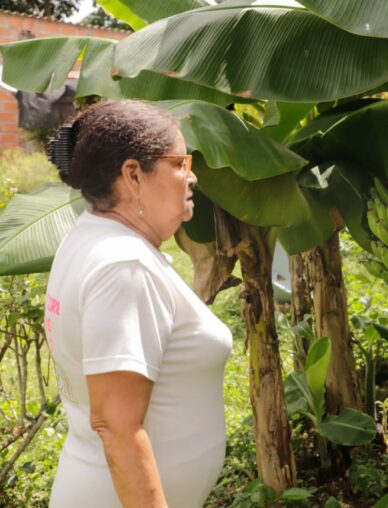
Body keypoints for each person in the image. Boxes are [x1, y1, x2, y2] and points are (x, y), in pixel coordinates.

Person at [44, 100, 233, 508]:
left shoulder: (92, 235)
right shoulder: (123, 267)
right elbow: (116, 426)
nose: (192, 176)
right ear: (134, 175)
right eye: (180, 163)